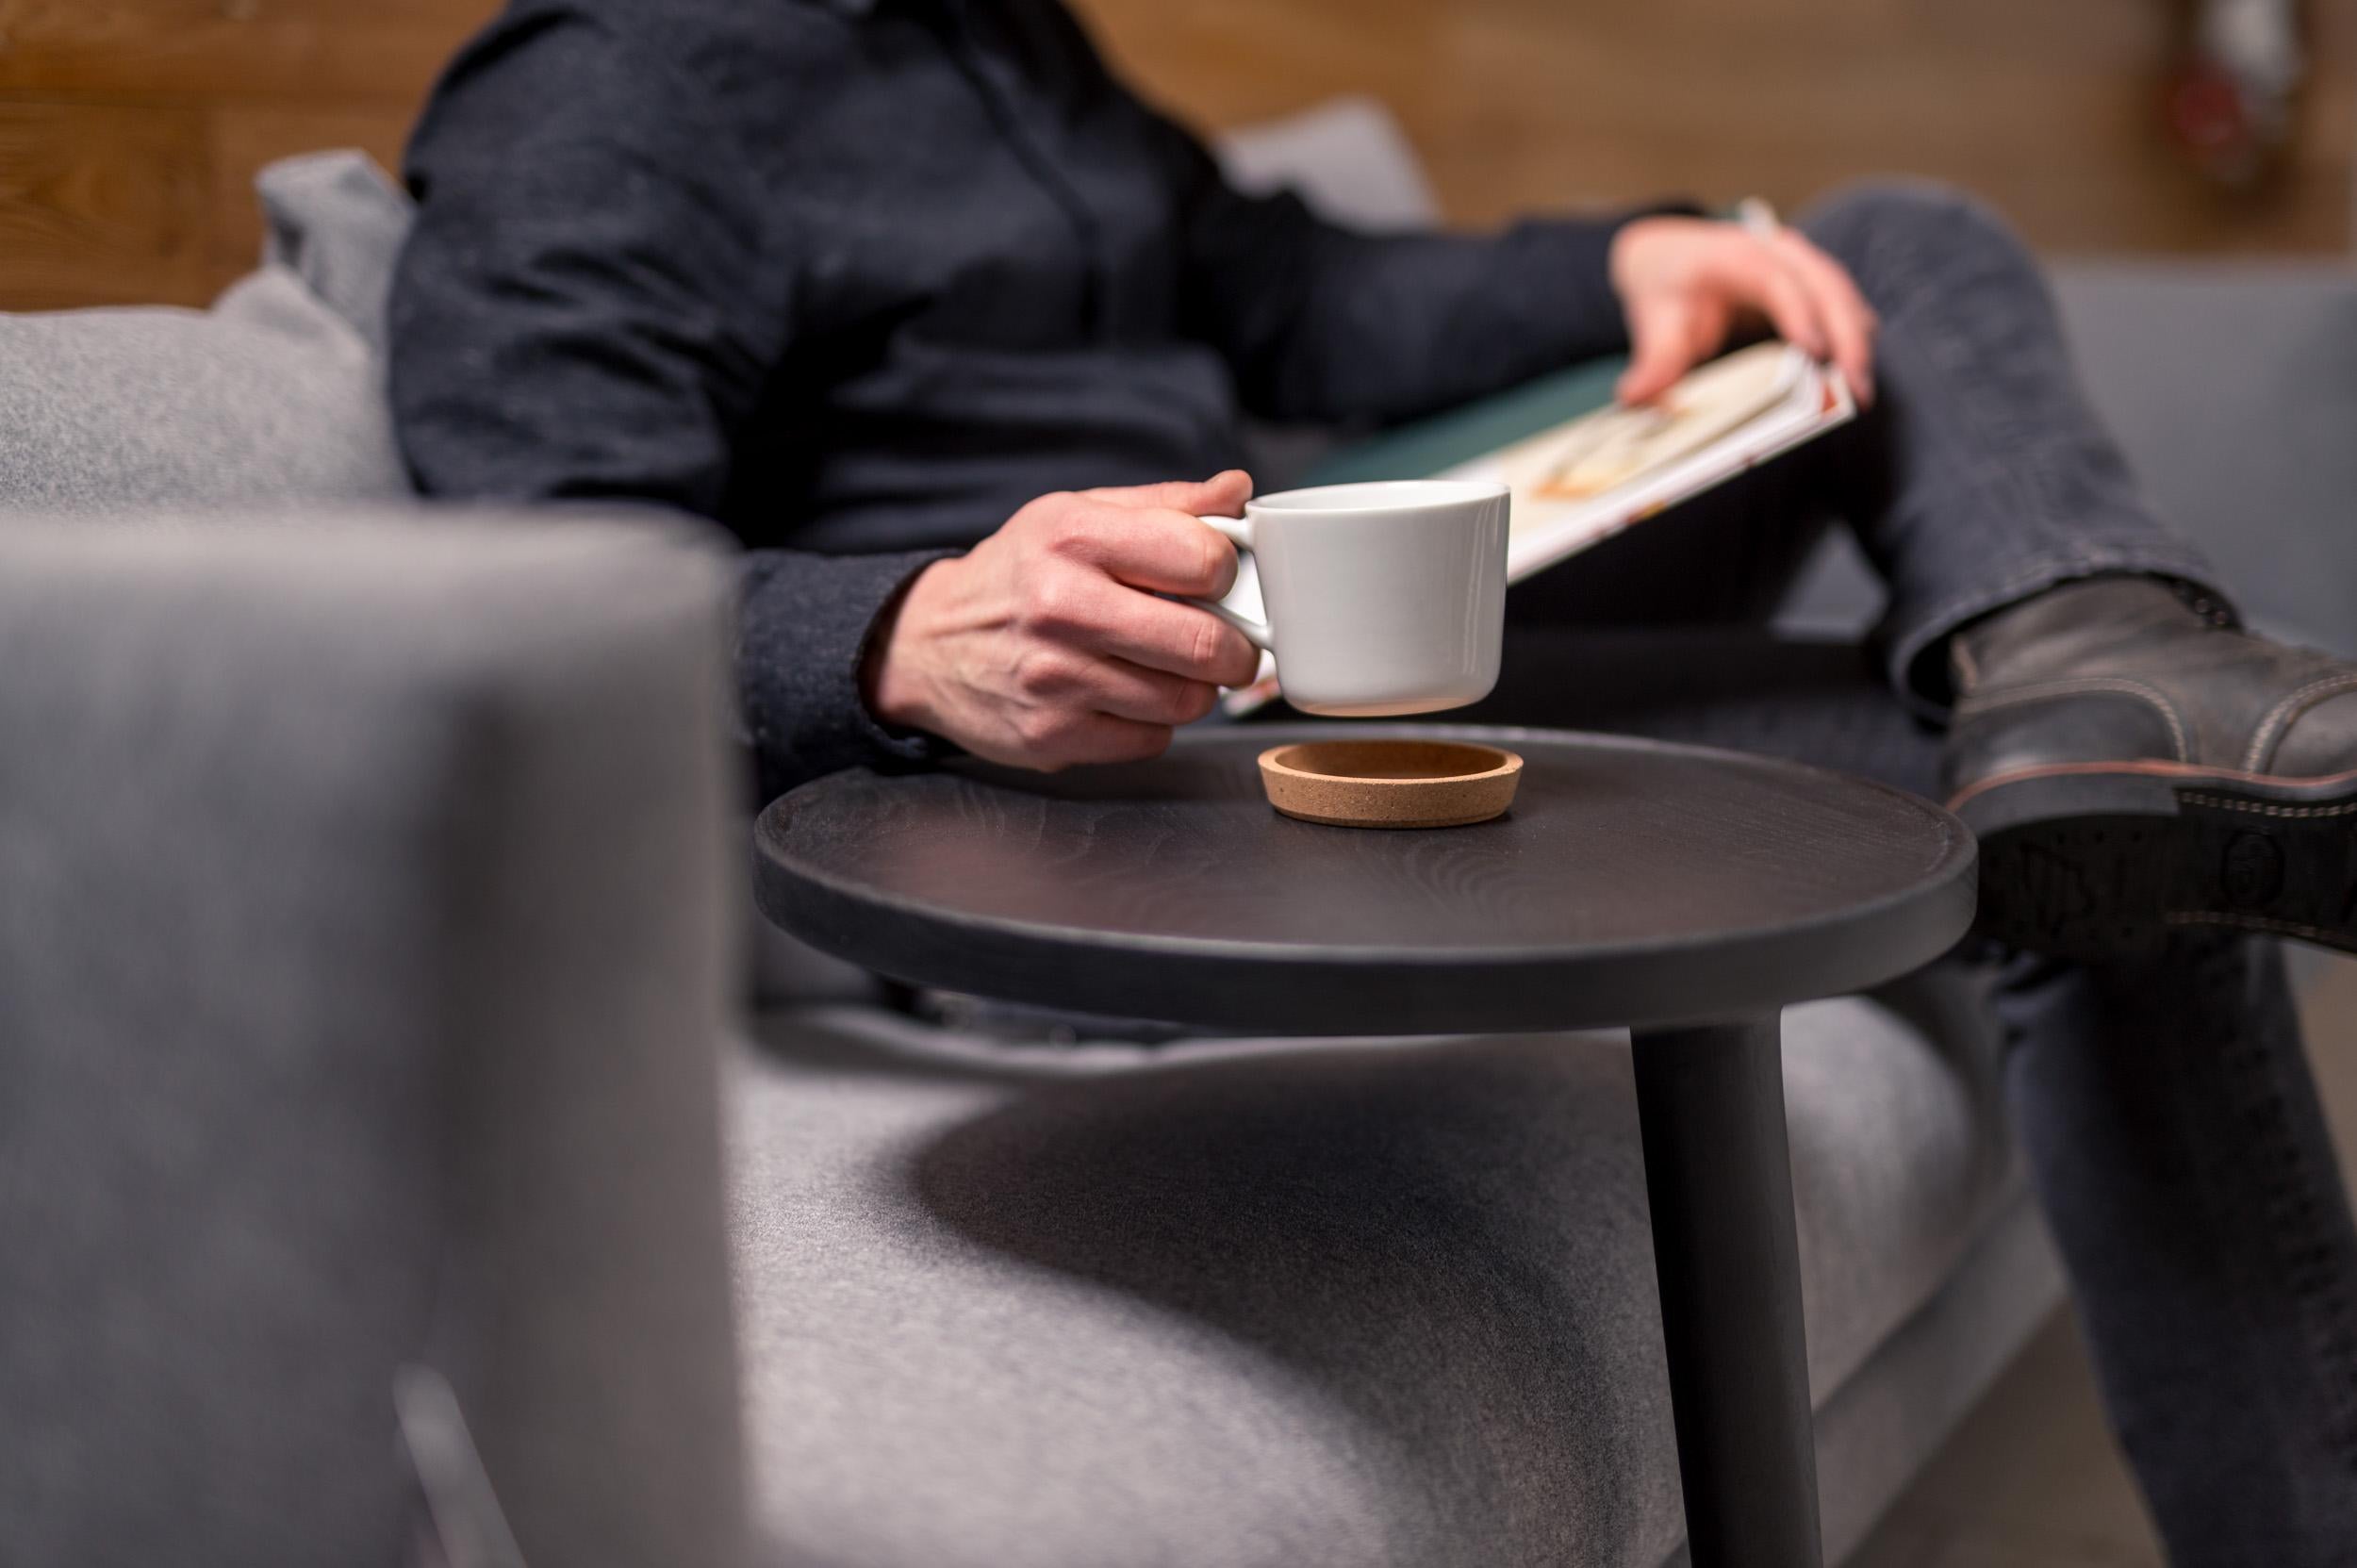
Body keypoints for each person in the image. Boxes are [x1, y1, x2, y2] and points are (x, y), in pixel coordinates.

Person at [387, 1, 2357, 1557]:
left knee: (1870, 252)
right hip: (1090, 816)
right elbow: (525, 579)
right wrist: (900, 629)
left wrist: (1629, 261)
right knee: (2106, 846)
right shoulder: (602, 88)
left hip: (1300, 653)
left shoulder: (990, 39)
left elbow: (1290, 292)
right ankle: (2115, 723)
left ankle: (2093, 665)